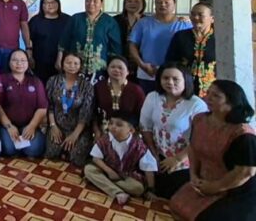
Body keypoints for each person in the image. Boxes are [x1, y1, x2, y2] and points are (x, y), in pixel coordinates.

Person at [170, 80, 256, 220]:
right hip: (205, 179)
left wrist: (215, 187)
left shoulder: (242, 134)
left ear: (231, 102)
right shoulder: (199, 120)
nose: (208, 98)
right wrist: (193, 176)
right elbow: (193, 148)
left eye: (216, 96)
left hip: (235, 188)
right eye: (208, 93)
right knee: (173, 199)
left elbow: (246, 172)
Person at [139, 63, 207, 199]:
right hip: (156, 155)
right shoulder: (153, 97)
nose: (170, 82)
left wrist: (177, 159)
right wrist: (153, 153)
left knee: (176, 195)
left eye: (175, 79)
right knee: (144, 187)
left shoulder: (196, 104)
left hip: (184, 160)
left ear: (186, 80)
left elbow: (200, 138)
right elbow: (145, 127)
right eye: (165, 78)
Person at [83, 111, 158, 205]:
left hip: (126, 176)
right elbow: (95, 158)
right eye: (111, 123)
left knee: (138, 188)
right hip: (107, 171)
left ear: (131, 130)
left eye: (119, 125)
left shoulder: (138, 146)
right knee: (88, 169)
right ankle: (118, 192)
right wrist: (109, 172)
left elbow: (148, 168)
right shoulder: (105, 139)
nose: (113, 127)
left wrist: (151, 189)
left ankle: (100, 182)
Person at [128, 0, 191, 95]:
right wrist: (142, 64)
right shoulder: (143, 23)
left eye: (167, 2)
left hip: (175, 75)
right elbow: (132, 45)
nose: (163, 5)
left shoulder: (184, 25)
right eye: (159, 2)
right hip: (148, 73)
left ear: (174, 4)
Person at [44, 52, 94, 167]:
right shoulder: (53, 81)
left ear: (80, 66)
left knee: (77, 158)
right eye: (68, 63)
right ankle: (62, 151)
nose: (72, 66)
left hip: (78, 128)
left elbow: (86, 113)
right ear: (62, 64)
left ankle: (69, 151)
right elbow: (49, 105)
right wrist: (53, 126)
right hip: (57, 125)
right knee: (52, 153)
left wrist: (75, 134)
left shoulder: (87, 86)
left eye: (76, 63)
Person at [0, 49, 48, 157]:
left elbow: (42, 107)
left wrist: (32, 126)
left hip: (29, 124)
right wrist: (9, 126)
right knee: (9, 149)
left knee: (34, 150)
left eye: (23, 60)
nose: (19, 63)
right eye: (15, 60)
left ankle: (22, 145)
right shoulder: (2, 80)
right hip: (8, 125)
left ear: (28, 63)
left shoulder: (36, 81)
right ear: (9, 62)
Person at [58, 0, 122, 77]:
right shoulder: (75, 18)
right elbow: (64, 40)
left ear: (101, 3)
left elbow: (115, 46)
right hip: (75, 66)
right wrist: (59, 59)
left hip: (100, 68)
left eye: (95, 1)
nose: (91, 3)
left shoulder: (110, 21)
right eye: (88, 0)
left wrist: (114, 66)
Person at [165, 1, 215, 96]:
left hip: (211, 90)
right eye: (193, 14)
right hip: (183, 86)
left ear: (212, 18)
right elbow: (170, 61)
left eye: (200, 15)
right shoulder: (180, 36)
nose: (195, 17)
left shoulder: (219, 39)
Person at [93, 56, 145, 139]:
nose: (116, 70)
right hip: (103, 130)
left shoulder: (136, 90)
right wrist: (96, 130)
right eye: (112, 67)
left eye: (120, 68)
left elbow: (142, 115)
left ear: (128, 72)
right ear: (107, 69)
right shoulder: (99, 87)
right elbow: (93, 112)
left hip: (128, 132)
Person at [28, 0, 70, 83]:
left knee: (59, 86)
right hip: (40, 61)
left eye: (53, 2)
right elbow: (29, 41)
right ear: (42, 5)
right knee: (41, 85)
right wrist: (30, 57)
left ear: (58, 3)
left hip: (62, 61)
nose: (50, 5)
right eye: (46, 3)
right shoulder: (35, 21)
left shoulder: (67, 20)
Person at [113, 0, 147, 72]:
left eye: (136, 1)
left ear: (143, 4)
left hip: (141, 61)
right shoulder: (115, 20)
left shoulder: (148, 21)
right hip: (120, 59)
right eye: (129, 1)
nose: (132, 4)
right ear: (125, 4)